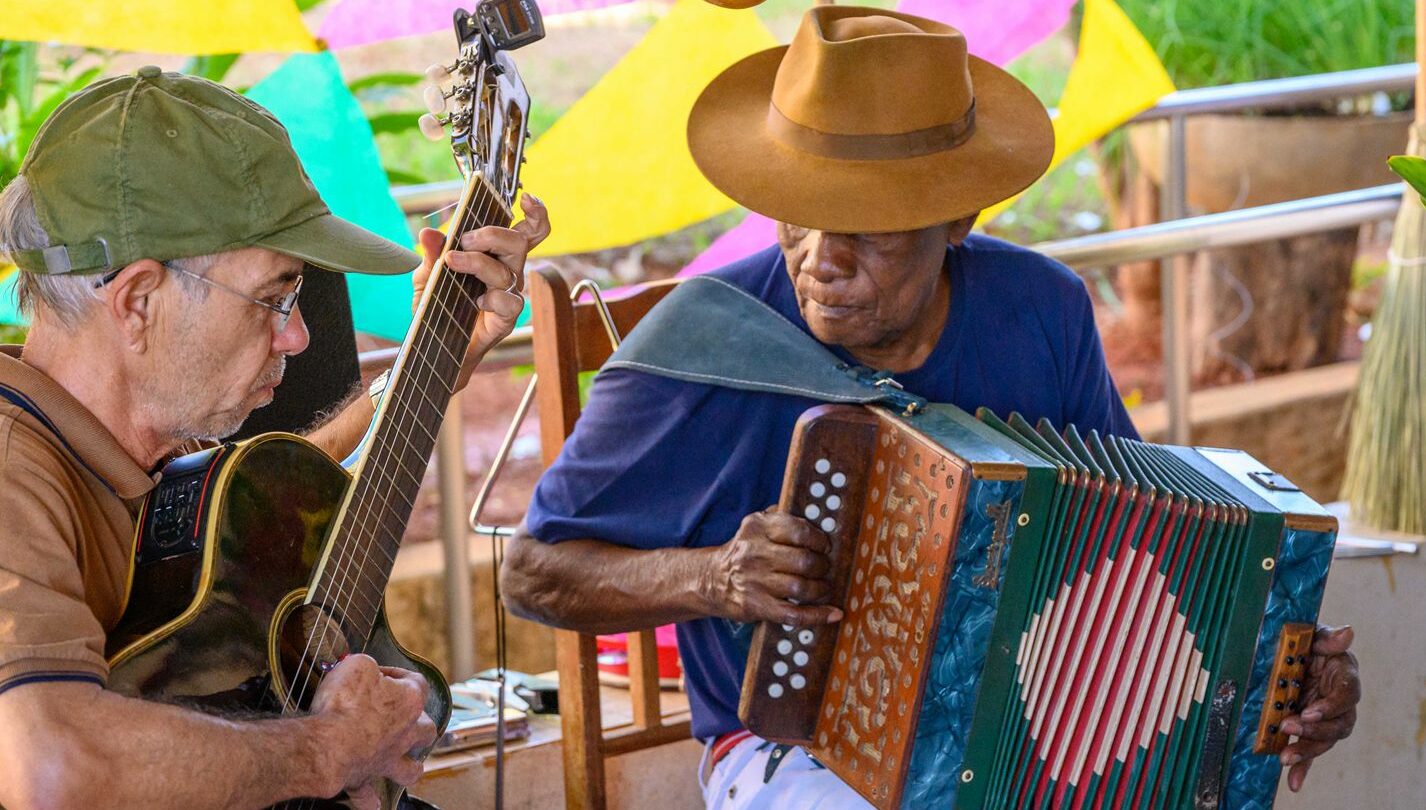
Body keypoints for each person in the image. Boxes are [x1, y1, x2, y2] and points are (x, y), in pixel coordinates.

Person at [500, 8, 1359, 809]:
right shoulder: (704, 346)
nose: (821, 260)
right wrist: (713, 577)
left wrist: (1282, 667)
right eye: (797, 215)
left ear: (958, 217)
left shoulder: (1042, 308)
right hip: (794, 757)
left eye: (865, 227)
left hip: (1036, 734)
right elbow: (533, 573)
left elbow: (1162, 547)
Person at [0, 67, 548, 808]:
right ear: (136, 301)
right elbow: (50, 768)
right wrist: (329, 750)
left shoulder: (128, 448)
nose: (298, 334)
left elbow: (262, 509)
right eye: (273, 297)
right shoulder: (13, 474)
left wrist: (434, 359)